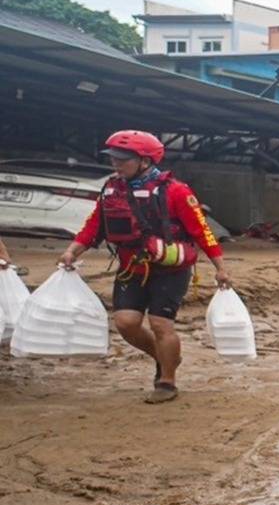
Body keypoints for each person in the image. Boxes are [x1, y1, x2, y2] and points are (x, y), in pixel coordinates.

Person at [56, 130, 230, 404]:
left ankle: (167, 381)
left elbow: (202, 231)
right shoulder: (112, 189)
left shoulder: (176, 191)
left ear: (145, 162)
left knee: (161, 324)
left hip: (170, 271)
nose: (115, 163)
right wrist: (72, 251)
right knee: (126, 323)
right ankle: (165, 357)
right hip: (131, 268)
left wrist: (220, 267)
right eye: (113, 158)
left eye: (122, 159)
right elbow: (94, 226)